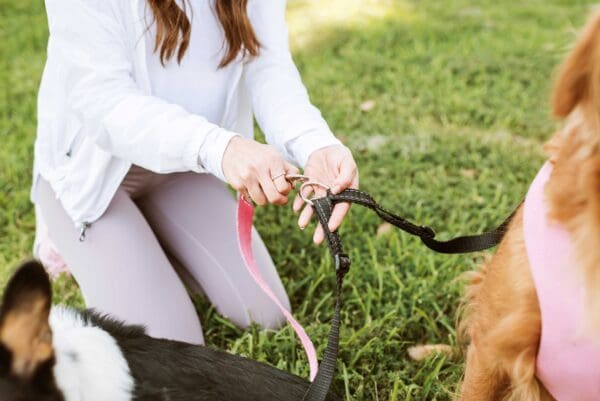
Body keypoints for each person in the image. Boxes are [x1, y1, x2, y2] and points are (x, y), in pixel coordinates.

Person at [32, 0, 358, 345]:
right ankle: (67, 232)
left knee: (264, 315)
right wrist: (221, 148)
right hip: (94, 173)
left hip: (182, 166)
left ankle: (148, 231)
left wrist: (315, 144)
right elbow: (103, 102)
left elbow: (267, 65)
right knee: (168, 345)